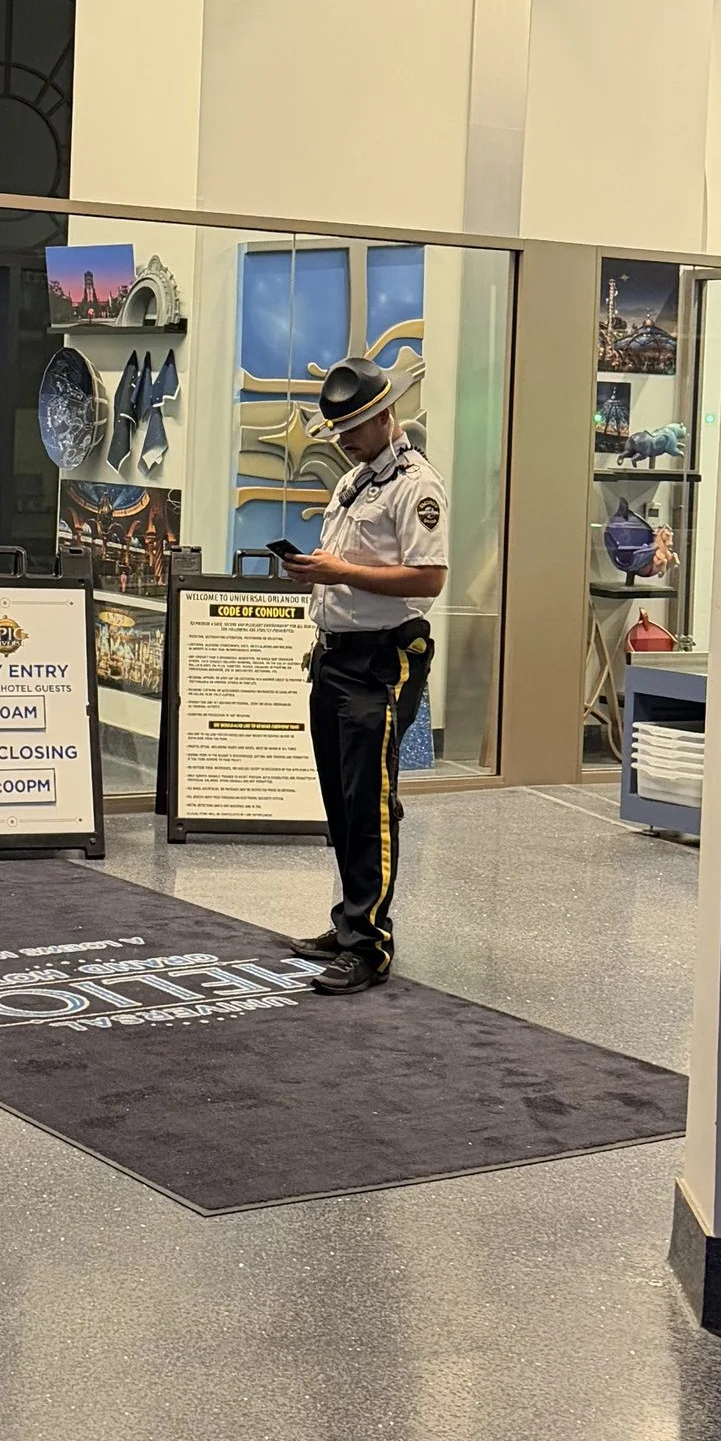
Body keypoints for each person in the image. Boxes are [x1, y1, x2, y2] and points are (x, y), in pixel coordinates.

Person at [280, 355, 448, 994]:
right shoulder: (355, 483)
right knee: (341, 799)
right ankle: (351, 921)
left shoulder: (415, 486)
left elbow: (428, 580)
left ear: (384, 416)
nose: (344, 439)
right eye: (338, 430)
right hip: (336, 654)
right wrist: (321, 570)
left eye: (352, 427)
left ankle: (370, 946)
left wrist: (338, 573)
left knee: (370, 800)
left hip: (382, 656)